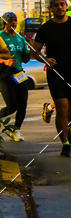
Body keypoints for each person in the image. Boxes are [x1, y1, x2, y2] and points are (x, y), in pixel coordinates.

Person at [30, 0, 71, 156]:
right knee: (62, 107)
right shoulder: (45, 28)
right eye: (56, 5)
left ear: (66, 6)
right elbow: (35, 51)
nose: (60, 7)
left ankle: (66, 129)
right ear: (51, 9)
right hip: (56, 72)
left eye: (62, 4)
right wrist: (46, 59)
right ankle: (66, 143)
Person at [0, 12, 31, 141]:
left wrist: (29, 49)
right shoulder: (0, 37)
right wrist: (4, 61)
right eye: (10, 21)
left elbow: (25, 59)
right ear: (5, 23)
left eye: (15, 21)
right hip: (4, 74)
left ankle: (16, 130)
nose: (13, 23)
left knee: (23, 104)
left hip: (19, 73)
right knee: (11, 106)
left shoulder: (20, 38)